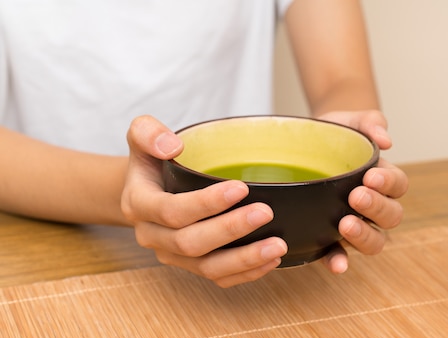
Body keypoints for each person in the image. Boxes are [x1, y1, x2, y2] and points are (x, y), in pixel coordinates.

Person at [0, 0, 408, 287]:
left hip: (269, 261)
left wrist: (347, 158)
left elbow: (342, 80)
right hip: (44, 250)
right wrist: (138, 197)